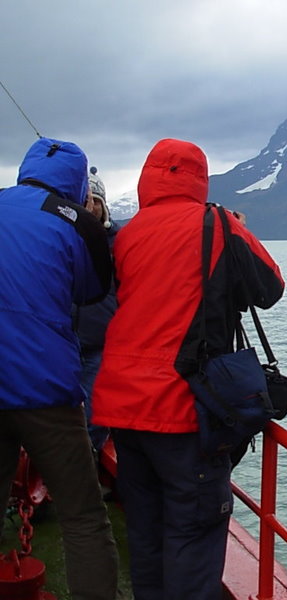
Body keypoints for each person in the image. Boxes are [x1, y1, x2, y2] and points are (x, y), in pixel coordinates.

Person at [91, 138, 285, 600]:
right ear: (200, 178)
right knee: (192, 537)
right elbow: (270, 287)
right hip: (183, 410)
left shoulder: (130, 233)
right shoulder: (218, 224)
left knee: (147, 536)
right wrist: (235, 230)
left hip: (123, 409)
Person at [0, 137, 119, 600]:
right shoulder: (77, 222)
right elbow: (90, 292)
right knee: (83, 516)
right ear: (76, 180)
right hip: (44, 386)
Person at [74, 166, 119, 452]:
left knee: (95, 411)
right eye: (85, 202)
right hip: (64, 339)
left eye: (96, 202)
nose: (91, 208)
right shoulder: (64, 238)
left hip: (102, 343)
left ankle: (89, 466)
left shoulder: (120, 243)